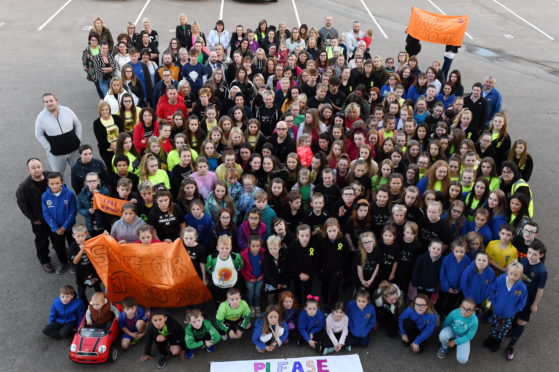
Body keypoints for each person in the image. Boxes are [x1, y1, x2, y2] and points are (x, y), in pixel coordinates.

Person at [505, 242, 547, 360]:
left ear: (541, 255)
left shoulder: (542, 271)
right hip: (515, 297)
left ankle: (511, 345)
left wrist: (535, 304)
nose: (530, 256)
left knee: (521, 322)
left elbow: (540, 289)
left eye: (534, 254)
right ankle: (509, 331)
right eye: (529, 252)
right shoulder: (522, 261)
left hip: (528, 301)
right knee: (512, 316)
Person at [16, 158, 58, 273]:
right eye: (33, 168)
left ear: (42, 167)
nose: (37, 170)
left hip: (54, 216)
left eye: (38, 167)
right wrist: (33, 219)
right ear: (28, 170)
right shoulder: (24, 187)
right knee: (41, 240)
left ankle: (59, 250)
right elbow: (22, 204)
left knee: (56, 236)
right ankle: (45, 261)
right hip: (39, 220)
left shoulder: (51, 177)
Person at [484, 261, 527, 352]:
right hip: (497, 310)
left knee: (504, 328)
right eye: (511, 273)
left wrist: (515, 310)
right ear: (507, 272)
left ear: (520, 275)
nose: (513, 276)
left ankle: (497, 341)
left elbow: (522, 301)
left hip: (509, 314)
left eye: (516, 275)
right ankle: (491, 337)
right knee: (494, 324)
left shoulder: (522, 287)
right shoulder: (500, 279)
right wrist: (494, 303)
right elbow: (492, 291)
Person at [35, 93, 82, 173]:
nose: (49, 103)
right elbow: (39, 135)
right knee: (58, 175)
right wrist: (48, 147)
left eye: (51, 100)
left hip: (74, 150)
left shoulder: (67, 110)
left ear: (56, 101)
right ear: (44, 103)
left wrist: (78, 139)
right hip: (56, 154)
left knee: (78, 171)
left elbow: (77, 125)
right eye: (46, 102)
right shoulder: (41, 117)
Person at [41, 172, 76, 275]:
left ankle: (74, 262)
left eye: (57, 183)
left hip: (68, 227)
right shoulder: (45, 196)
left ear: (62, 182)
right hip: (55, 229)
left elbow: (73, 211)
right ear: (48, 184)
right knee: (58, 247)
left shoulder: (69, 194)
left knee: (73, 245)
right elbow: (46, 214)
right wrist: (55, 228)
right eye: (52, 184)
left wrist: (64, 227)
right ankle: (63, 262)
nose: (55, 186)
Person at [436, 297, 479, 364]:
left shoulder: (475, 321)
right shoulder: (454, 312)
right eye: (463, 308)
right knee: (442, 335)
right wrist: (442, 333)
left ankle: (456, 345)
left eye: (468, 310)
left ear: (473, 311)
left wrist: (455, 342)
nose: (464, 311)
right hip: (452, 331)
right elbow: (446, 323)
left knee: (462, 360)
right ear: (460, 306)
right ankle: (444, 347)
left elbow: (469, 336)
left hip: (463, 336)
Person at [206, 235, 244, 303]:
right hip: (218, 286)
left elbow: (240, 266)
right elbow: (209, 268)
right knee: (218, 301)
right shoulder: (212, 258)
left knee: (232, 301)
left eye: (227, 248)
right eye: (222, 248)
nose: (225, 251)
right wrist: (215, 274)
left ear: (231, 248)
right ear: (217, 248)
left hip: (232, 285)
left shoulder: (236, 257)